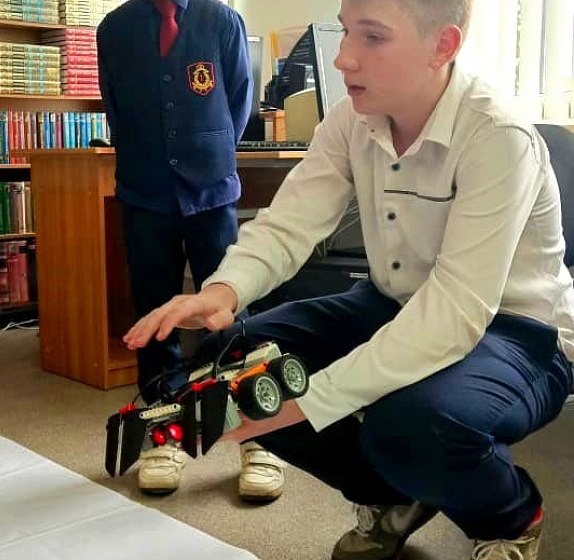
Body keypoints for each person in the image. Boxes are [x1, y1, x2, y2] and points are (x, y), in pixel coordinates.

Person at [124, 0, 574, 558]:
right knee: (235, 362)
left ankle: (511, 518)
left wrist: (314, 401)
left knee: (409, 425)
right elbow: (290, 223)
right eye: (345, 33)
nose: (343, 58)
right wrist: (223, 290)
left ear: (443, 46)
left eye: (372, 37)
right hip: (394, 302)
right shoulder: (351, 120)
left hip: (516, 332)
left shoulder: (496, 135)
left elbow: (454, 313)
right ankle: (392, 497)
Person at [97, 0, 287, 501]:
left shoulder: (221, 20)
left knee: (231, 313)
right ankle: (164, 432)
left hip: (211, 192)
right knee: (154, 314)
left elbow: (239, 102)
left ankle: (258, 435)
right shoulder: (115, 28)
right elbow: (115, 108)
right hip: (144, 193)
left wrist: (209, 153)